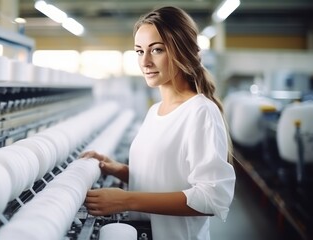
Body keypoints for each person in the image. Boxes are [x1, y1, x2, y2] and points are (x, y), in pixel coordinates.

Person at [80, 6, 236, 240]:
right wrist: (120, 170)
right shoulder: (155, 111)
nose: (145, 61)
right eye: (139, 51)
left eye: (157, 50)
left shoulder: (200, 112)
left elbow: (213, 197)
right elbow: (165, 176)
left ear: (182, 50)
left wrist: (126, 200)